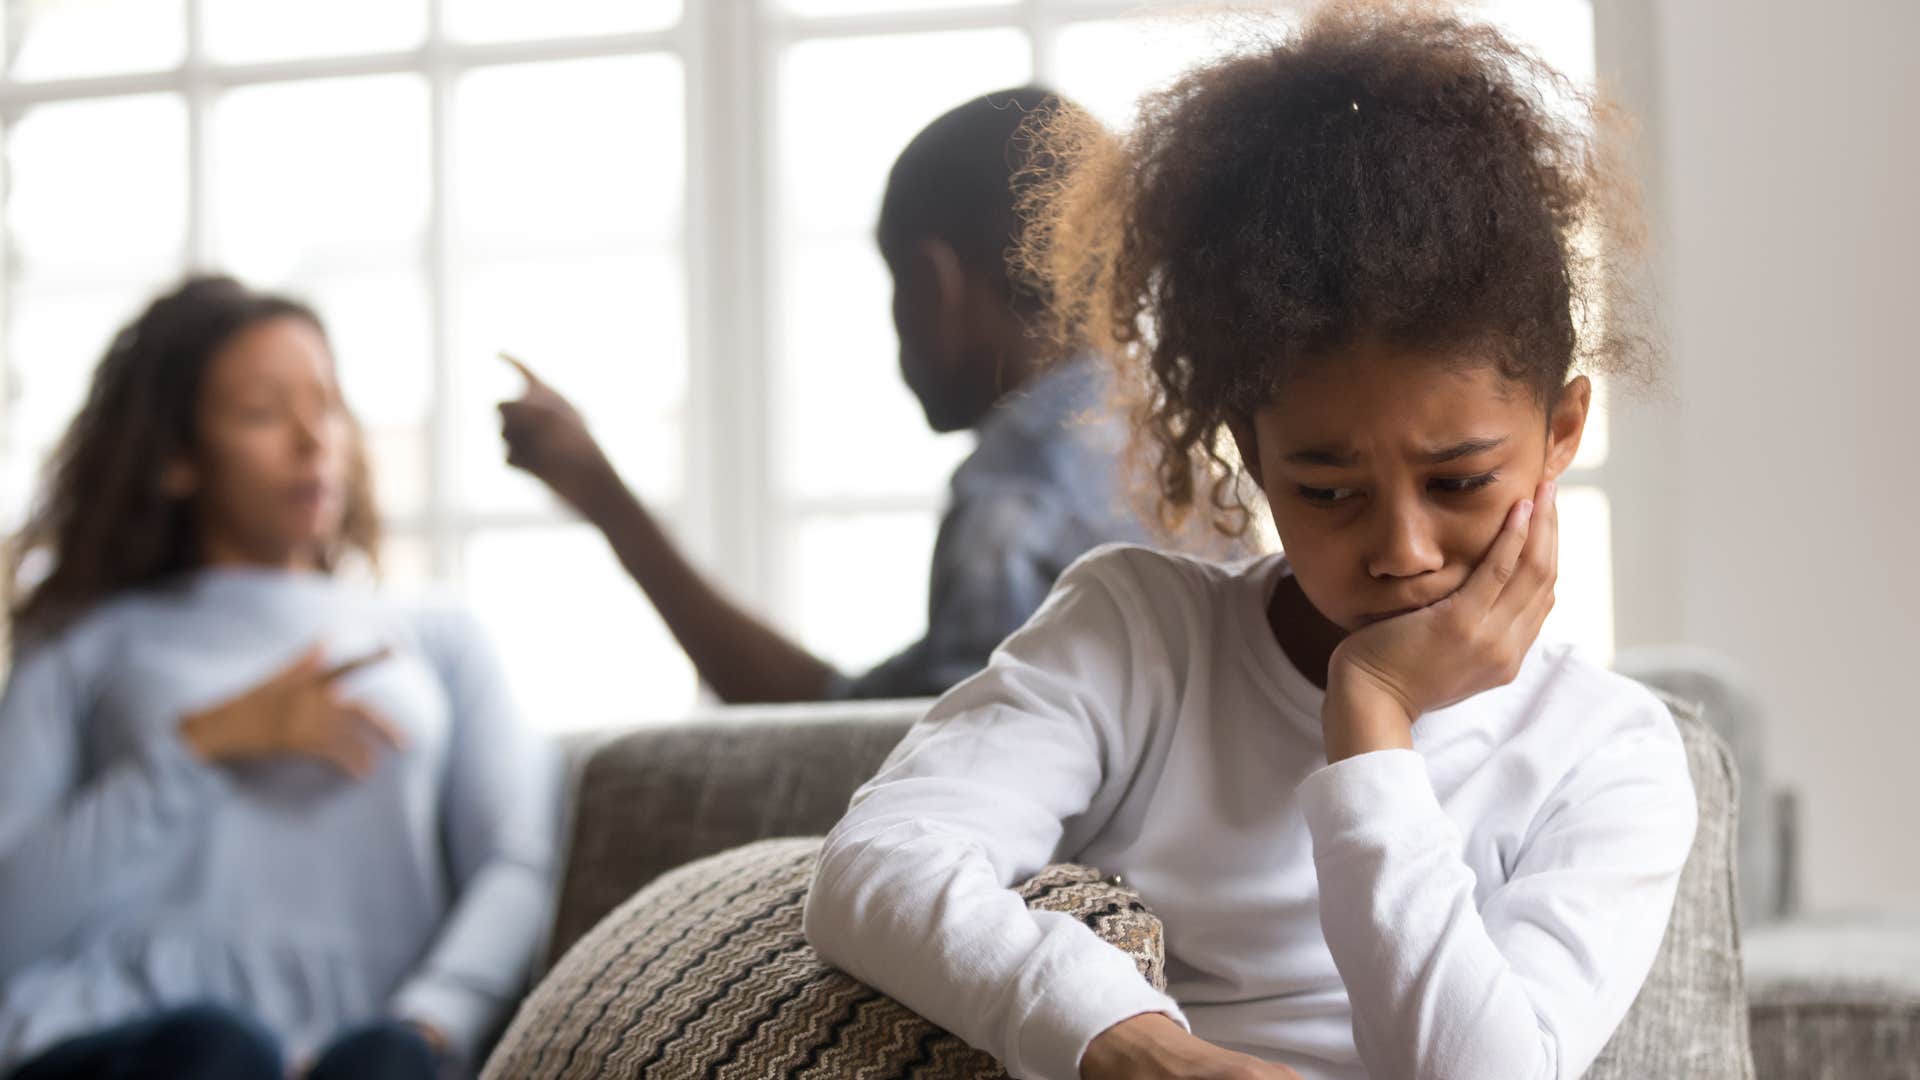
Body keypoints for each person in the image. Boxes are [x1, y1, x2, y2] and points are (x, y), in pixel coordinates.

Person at [803, 7, 1696, 1080]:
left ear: (1560, 432)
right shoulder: (1138, 636)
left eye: (1459, 481)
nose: (1403, 549)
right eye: (1327, 490)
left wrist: (1370, 722)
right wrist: (1139, 1051)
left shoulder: (1608, 754)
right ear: (1252, 454)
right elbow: (877, 866)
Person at [0, 276, 557, 1078]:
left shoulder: (438, 638)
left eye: (326, 406)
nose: (311, 440)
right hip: (126, 1038)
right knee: (221, 1053)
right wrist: (203, 745)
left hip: (364, 1048)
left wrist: (433, 1021)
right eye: (263, 413)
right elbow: (10, 923)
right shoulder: (83, 642)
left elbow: (516, 860)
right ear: (176, 458)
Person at [498, 86, 1156, 704]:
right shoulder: (1167, 454)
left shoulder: (1013, 498)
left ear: (935, 284)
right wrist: (603, 495)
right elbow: (850, 716)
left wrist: (606, 501)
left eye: (895, 282)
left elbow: (924, 775)